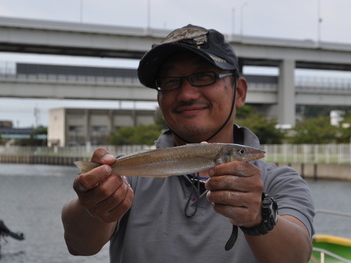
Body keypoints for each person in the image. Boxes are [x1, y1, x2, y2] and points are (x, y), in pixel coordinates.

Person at [62, 24, 314, 262]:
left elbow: (297, 256)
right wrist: (92, 201)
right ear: (159, 99)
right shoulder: (131, 177)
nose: (187, 94)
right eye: (170, 82)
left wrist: (259, 217)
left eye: (204, 76)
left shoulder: (280, 182)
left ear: (239, 92)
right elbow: (79, 245)